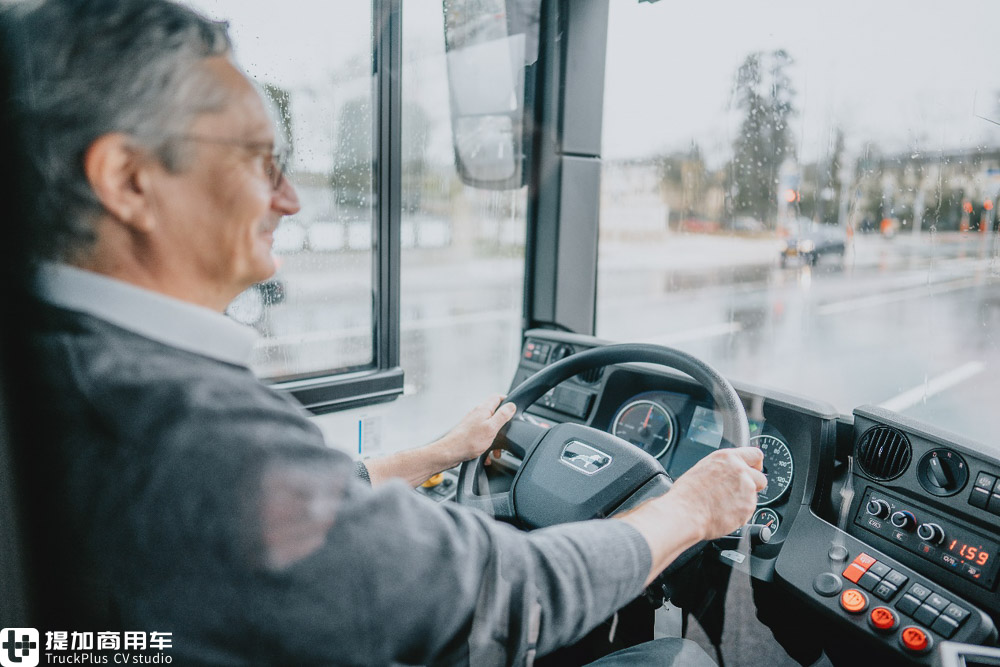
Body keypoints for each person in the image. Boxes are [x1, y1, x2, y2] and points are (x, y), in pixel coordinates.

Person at [4, 0, 767, 664]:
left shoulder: (69, 364)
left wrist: (438, 452)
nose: (289, 198)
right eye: (261, 161)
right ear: (129, 179)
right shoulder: (179, 424)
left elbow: (286, 516)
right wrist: (690, 509)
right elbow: (508, 598)